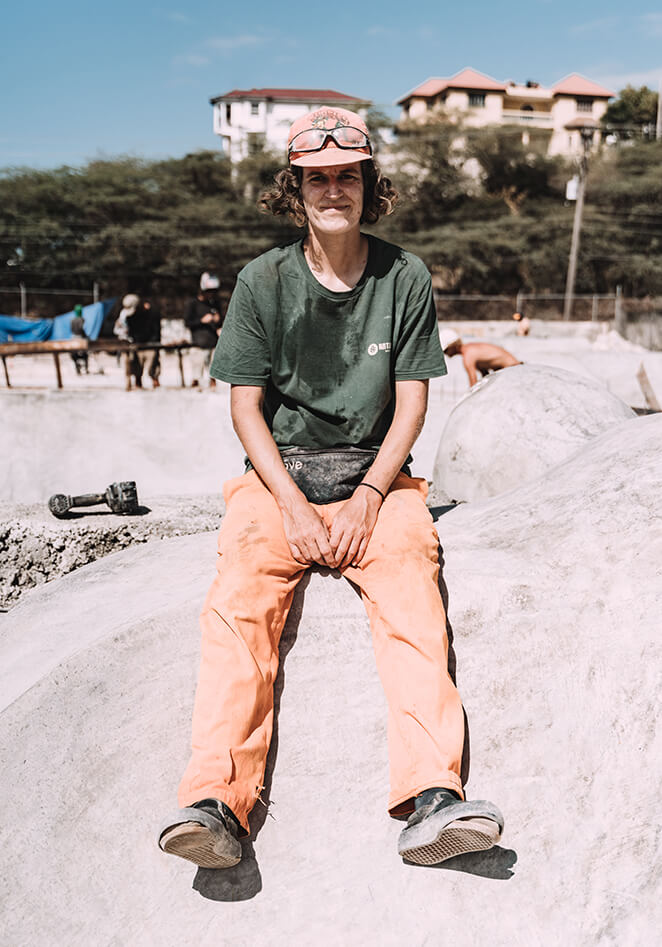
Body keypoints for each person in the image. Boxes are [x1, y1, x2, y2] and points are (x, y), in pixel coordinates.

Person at [159, 107, 503, 871]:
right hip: (280, 478)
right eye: (318, 178)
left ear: (368, 183)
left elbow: (412, 399)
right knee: (239, 603)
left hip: (374, 480)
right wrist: (287, 503)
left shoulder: (403, 275)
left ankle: (433, 798)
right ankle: (217, 799)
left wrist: (373, 495)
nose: (333, 189)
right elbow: (245, 405)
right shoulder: (262, 281)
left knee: (415, 595)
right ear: (297, 187)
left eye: (348, 175)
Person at [440, 330, 521, 387]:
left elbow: (473, 384)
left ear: (453, 346)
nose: (445, 354)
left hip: (513, 369)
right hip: (513, 368)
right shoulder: (471, 349)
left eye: (446, 350)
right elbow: (486, 376)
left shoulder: (468, 356)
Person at [185, 273, 223, 389]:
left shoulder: (215, 304)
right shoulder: (193, 304)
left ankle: (212, 381)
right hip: (198, 341)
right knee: (198, 364)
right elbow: (188, 322)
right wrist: (202, 321)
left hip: (213, 341)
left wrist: (218, 319)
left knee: (213, 365)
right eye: (209, 291)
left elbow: (221, 321)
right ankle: (196, 382)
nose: (211, 294)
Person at [69, 303, 89, 375]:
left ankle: (77, 368)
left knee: (74, 354)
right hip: (80, 338)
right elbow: (82, 329)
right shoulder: (82, 320)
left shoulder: (72, 320)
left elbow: (71, 329)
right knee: (85, 354)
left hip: (73, 337)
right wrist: (86, 336)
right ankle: (86, 369)